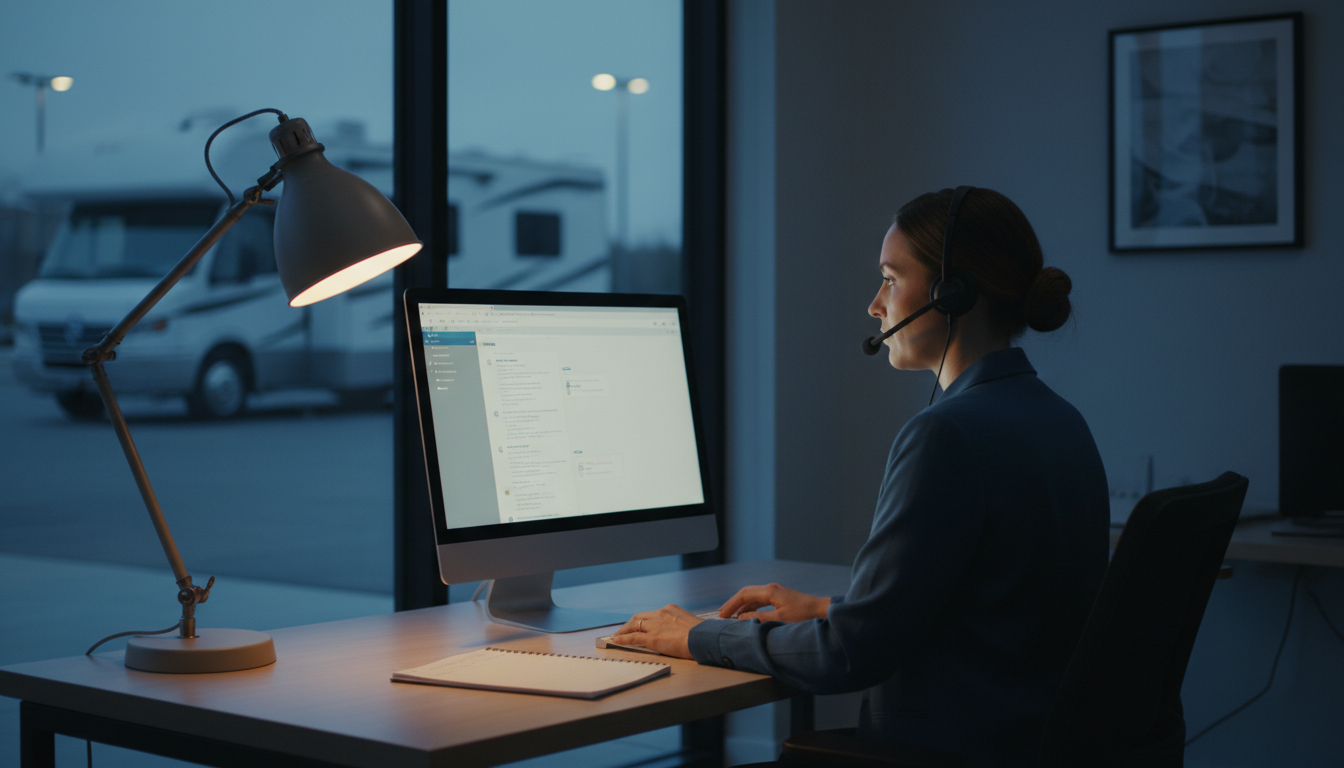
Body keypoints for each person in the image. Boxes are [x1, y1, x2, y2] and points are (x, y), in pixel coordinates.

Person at [609, 187, 1110, 767]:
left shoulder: (947, 436)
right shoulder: (1058, 418)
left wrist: (696, 635)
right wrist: (830, 609)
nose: (875, 305)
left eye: (891, 279)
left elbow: (849, 657)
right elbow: (994, 604)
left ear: (953, 294)